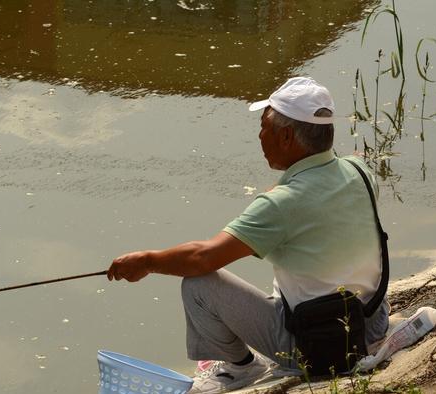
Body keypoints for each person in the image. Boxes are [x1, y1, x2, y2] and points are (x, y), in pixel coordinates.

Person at [107, 77, 389, 394]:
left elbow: (203, 257)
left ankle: (240, 368)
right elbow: (313, 210)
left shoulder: (281, 205)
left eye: (263, 126)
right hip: (371, 322)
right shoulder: (359, 170)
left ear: (285, 136)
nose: (259, 135)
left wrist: (147, 261)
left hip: (318, 347)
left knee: (199, 284)